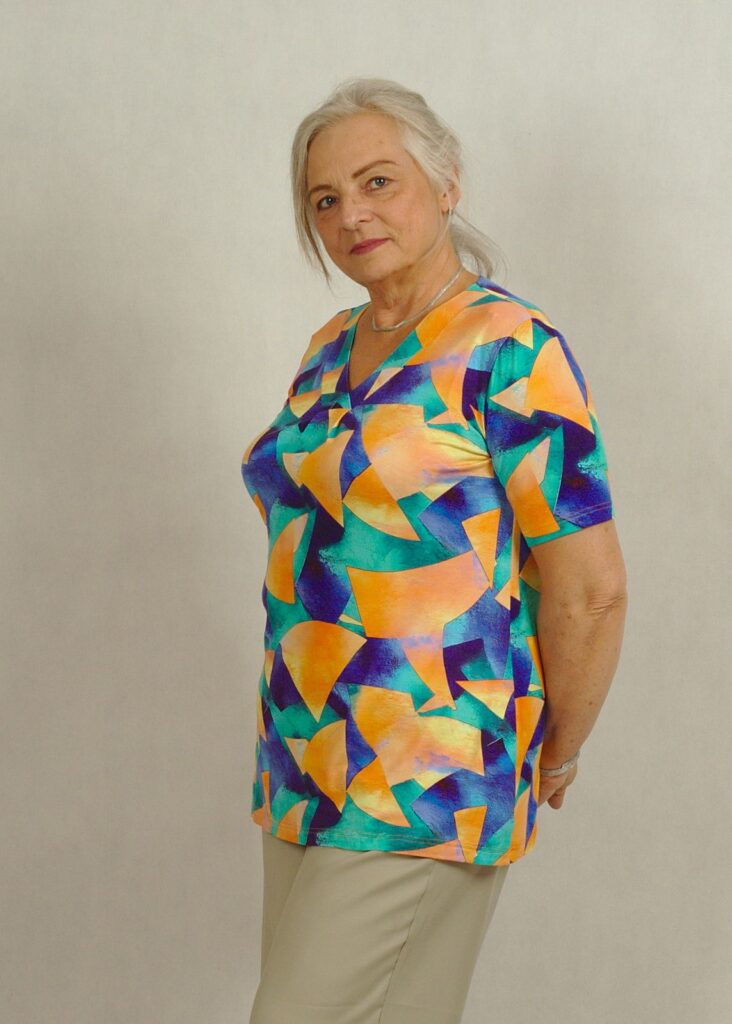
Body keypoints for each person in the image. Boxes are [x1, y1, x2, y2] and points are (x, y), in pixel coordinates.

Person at [241, 76, 628, 1024]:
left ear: (446, 181)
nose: (350, 215)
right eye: (325, 199)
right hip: (303, 754)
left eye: (378, 181)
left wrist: (556, 751)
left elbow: (590, 590)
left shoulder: (511, 350)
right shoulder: (328, 348)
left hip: (427, 768)